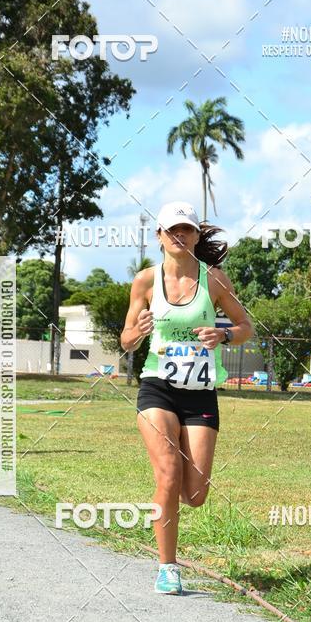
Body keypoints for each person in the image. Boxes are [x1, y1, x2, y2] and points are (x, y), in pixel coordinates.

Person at [121, 201, 253, 594]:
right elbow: (126, 341)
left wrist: (224, 335)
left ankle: (168, 507)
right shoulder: (145, 281)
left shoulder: (214, 280)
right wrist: (139, 331)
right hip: (157, 386)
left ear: (196, 236)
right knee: (168, 474)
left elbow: (246, 326)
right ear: (159, 235)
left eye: (188, 230)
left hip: (199, 392)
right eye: (172, 230)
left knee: (194, 493)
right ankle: (167, 567)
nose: (180, 236)